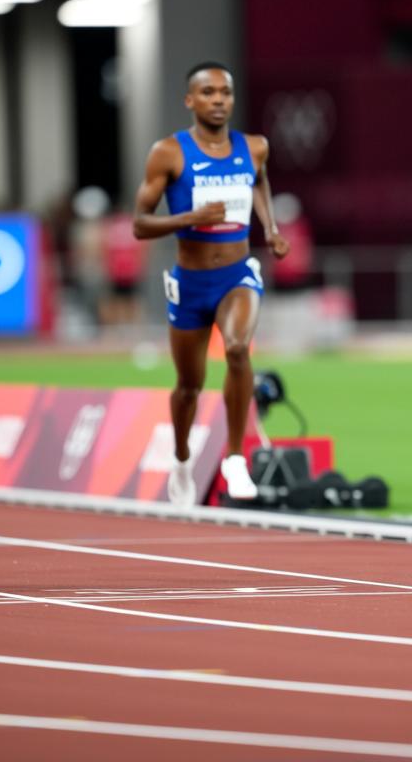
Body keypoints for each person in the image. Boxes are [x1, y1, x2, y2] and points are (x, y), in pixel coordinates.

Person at [133, 62, 289, 505]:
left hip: (237, 274)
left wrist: (271, 229)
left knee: (238, 349)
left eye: (225, 92)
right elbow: (140, 224)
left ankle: (236, 457)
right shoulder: (168, 153)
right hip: (189, 283)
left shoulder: (254, 147)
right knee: (189, 385)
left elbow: (259, 184)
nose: (218, 100)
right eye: (208, 93)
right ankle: (182, 457)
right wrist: (189, 219)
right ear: (190, 100)